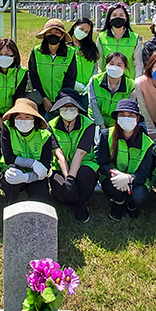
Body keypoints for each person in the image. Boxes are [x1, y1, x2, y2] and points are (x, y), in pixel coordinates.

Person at [95, 99, 156, 221]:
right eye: (122, 115)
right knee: (112, 186)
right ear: (117, 117)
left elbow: (145, 172)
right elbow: (101, 162)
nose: (126, 118)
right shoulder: (107, 135)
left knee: (139, 195)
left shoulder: (147, 142)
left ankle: (132, 205)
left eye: (131, 115)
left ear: (137, 118)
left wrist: (129, 179)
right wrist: (116, 174)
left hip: (136, 180)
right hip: (113, 177)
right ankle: (119, 202)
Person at [48, 89, 97, 223]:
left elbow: (80, 153)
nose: (68, 110)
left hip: (83, 165)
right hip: (60, 167)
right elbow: (59, 154)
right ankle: (73, 197)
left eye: (72, 107)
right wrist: (67, 178)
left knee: (85, 176)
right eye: (64, 107)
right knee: (59, 194)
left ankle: (82, 203)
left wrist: (71, 179)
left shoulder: (88, 124)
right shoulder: (50, 125)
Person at [0, 98, 60, 204]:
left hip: (36, 174)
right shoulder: (7, 129)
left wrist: (27, 178)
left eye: (27, 117)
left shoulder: (45, 135)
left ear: (35, 118)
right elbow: (8, 157)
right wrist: (32, 163)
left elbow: (44, 167)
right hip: (15, 168)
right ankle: (11, 203)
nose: (23, 120)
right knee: (11, 176)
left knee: (41, 199)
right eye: (19, 116)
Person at [27, 18, 78, 117]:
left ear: (62, 35)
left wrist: (61, 100)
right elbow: (33, 76)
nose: (53, 34)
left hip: (62, 100)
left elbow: (70, 78)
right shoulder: (36, 52)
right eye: (49, 32)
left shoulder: (70, 53)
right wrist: (44, 98)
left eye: (57, 32)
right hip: (40, 100)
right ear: (45, 34)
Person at [88, 52, 135, 129]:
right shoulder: (95, 80)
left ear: (125, 69)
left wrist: (115, 129)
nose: (114, 67)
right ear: (106, 65)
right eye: (111, 64)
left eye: (119, 65)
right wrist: (101, 126)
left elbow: (128, 110)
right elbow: (93, 105)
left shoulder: (131, 86)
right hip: (95, 122)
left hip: (118, 126)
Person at [95, 3, 143, 79]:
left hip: (128, 80)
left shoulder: (134, 38)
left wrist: (137, 82)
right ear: (109, 18)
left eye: (121, 15)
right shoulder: (101, 37)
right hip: (108, 79)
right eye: (114, 15)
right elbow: (100, 62)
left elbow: (138, 63)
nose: (118, 17)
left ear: (126, 18)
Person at [69, 18, 99, 101]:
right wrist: (73, 82)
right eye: (81, 29)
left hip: (87, 90)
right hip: (70, 88)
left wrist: (90, 83)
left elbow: (95, 67)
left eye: (86, 32)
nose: (83, 33)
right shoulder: (64, 46)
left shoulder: (91, 47)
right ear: (75, 27)